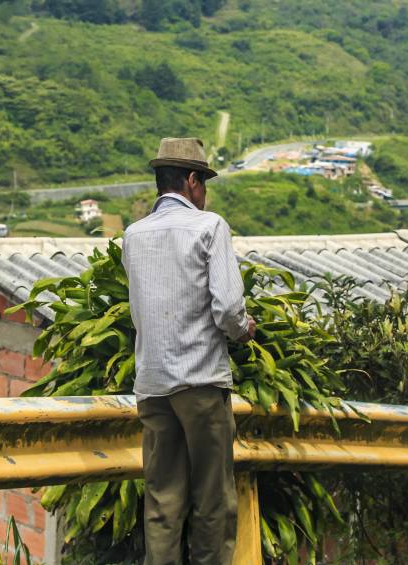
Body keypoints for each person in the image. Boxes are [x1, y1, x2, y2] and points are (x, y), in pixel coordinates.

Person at [122, 137, 256, 564]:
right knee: (212, 498)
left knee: (162, 501)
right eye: (205, 184)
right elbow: (229, 308)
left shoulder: (133, 235)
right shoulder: (209, 226)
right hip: (199, 382)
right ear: (193, 181)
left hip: (153, 385)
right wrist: (245, 331)